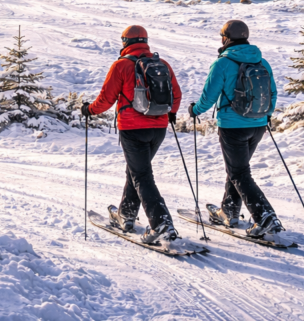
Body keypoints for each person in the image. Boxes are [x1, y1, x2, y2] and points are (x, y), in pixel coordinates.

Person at [81, 25, 182, 245]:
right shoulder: (163, 64)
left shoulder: (121, 65)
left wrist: (89, 110)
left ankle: (161, 223)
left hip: (132, 129)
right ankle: (126, 216)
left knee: (141, 175)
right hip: (159, 128)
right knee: (136, 172)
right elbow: (176, 95)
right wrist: (171, 113)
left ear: (125, 42)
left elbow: (106, 99)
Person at [189, 20, 282, 237]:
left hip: (233, 126)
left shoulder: (222, 63)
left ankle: (265, 217)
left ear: (226, 38)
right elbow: (272, 93)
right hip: (258, 124)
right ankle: (228, 211)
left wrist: (195, 110)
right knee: (237, 170)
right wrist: (266, 115)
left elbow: (209, 97)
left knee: (239, 173)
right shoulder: (262, 61)